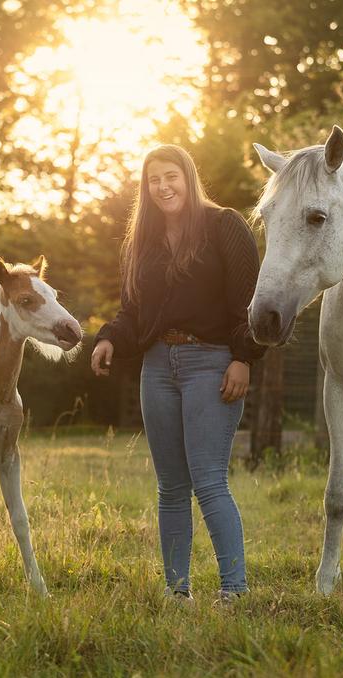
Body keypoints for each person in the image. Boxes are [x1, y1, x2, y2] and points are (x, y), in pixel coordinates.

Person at [90, 144, 266, 602]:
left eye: (171, 176)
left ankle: (234, 592)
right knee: (170, 487)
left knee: (208, 481)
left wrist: (244, 358)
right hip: (157, 368)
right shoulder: (141, 243)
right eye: (154, 180)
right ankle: (177, 594)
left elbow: (249, 302)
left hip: (212, 364)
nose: (163, 187)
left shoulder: (224, 226)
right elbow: (133, 313)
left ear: (188, 177)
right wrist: (109, 338)